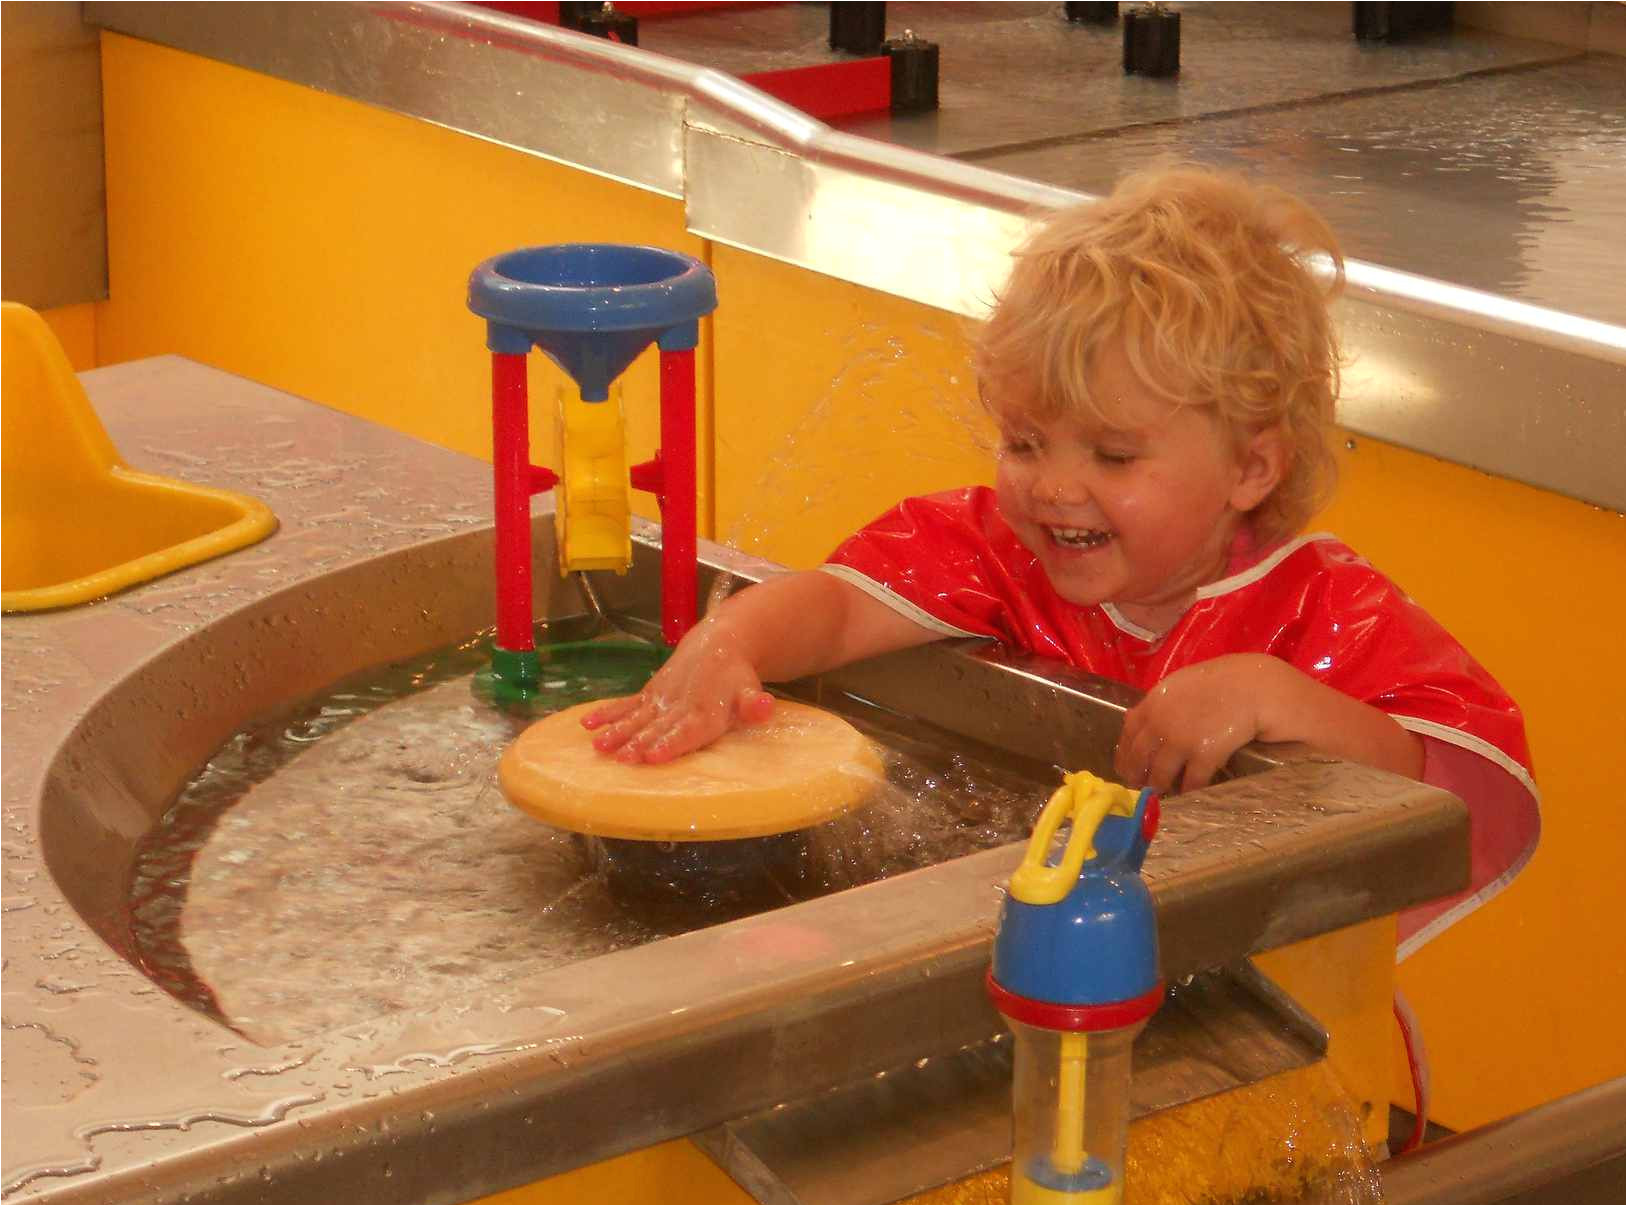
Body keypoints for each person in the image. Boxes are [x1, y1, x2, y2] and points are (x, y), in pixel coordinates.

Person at [585, 164, 1538, 962]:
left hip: (1264, 997)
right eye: (1026, 441)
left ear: (1251, 465)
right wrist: (730, 642)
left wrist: (1277, 695)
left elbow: (1448, 787)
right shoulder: (998, 556)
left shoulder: (1323, 609)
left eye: (1112, 456)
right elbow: (834, 609)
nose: (1052, 488)